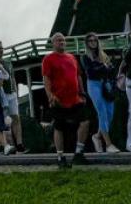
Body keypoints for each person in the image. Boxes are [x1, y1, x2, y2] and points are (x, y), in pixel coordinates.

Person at [42, 32, 90, 168]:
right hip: (59, 98)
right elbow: (47, 78)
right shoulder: (48, 59)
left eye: (63, 40)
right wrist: (50, 95)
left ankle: (78, 153)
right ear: (53, 43)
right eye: (58, 40)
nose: (61, 42)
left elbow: (78, 76)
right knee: (59, 127)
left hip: (75, 98)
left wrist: (82, 92)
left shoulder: (71, 57)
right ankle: (60, 157)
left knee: (85, 122)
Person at [80, 33, 120, 153]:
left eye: (95, 40)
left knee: (110, 114)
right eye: (90, 41)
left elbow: (111, 69)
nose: (93, 42)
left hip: (105, 84)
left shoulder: (103, 55)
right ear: (87, 43)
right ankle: (108, 144)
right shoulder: (85, 57)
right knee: (101, 112)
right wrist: (103, 67)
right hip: (93, 84)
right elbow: (90, 72)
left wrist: (104, 68)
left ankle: (97, 136)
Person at [0, 40, 23, 152]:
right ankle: (2, 145)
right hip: (1, 95)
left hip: (11, 94)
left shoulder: (8, 63)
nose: (1, 50)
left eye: (2, 48)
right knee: (0, 120)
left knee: (16, 118)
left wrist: (16, 91)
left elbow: (12, 78)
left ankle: (19, 144)